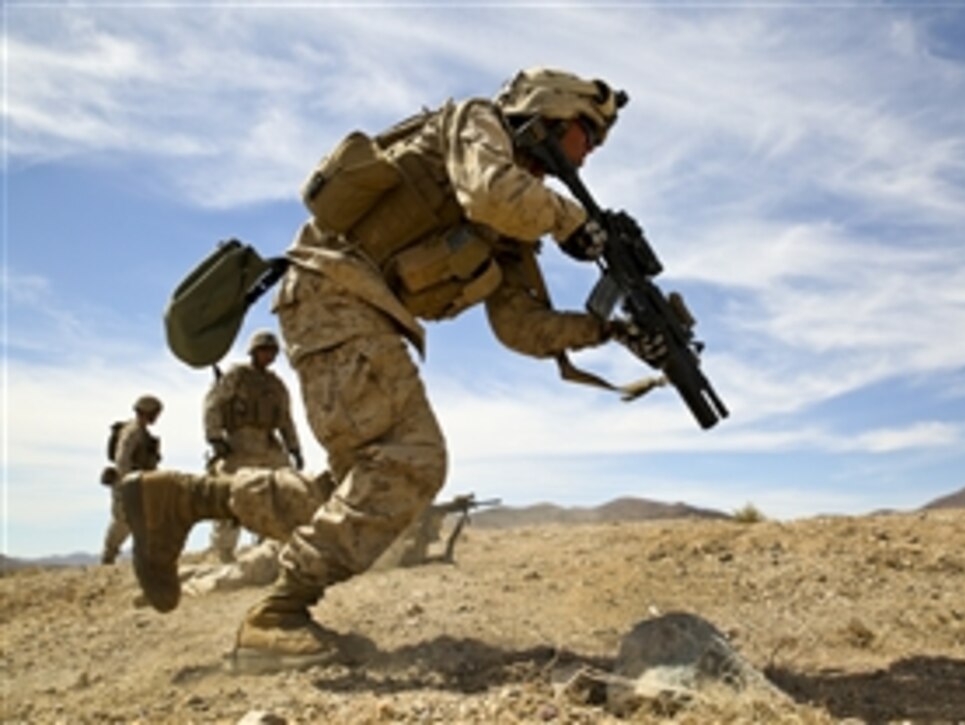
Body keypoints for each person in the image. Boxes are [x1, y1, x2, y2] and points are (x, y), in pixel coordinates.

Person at [121, 68, 664, 671]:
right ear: (553, 112)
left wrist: (609, 330)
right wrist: (571, 222)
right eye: (587, 139)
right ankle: (277, 617)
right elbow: (490, 192)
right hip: (337, 293)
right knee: (413, 459)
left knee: (359, 484)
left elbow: (521, 328)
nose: (586, 161)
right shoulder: (478, 126)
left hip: (345, 306)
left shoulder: (513, 223)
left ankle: (182, 499)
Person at [203, 329, 303, 562]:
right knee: (231, 496)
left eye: (272, 352)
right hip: (239, 443)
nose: (269, 356)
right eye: (264, 351)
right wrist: (215, 437)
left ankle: (272, 548)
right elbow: (213, 403)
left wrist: (294, 448)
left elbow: (286, 419)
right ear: (253, 352)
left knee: (282, 491)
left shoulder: (276, 384)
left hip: (268, 443)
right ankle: (224, 553)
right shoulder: (237, 375)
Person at [100, 395, 163, 564]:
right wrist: (128, 480)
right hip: (127, 483)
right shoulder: (132, 431)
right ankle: (109, 555)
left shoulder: (143, 433)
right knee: (123, 520)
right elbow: (123, 459)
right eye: (155, 413)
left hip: (140, 482)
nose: (156, 417)